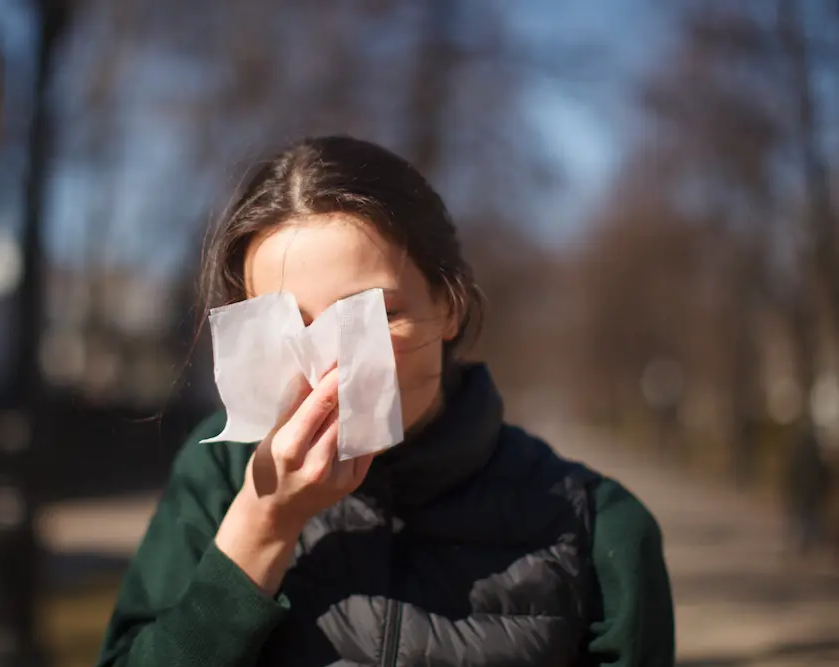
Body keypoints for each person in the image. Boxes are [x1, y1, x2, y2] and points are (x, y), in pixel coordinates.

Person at [96, 136, 675, 667]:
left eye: (373, 314)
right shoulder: (216, 476)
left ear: (449, 306)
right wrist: (263, 523)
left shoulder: (602, 532)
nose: (329, 365)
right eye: (286, 326)